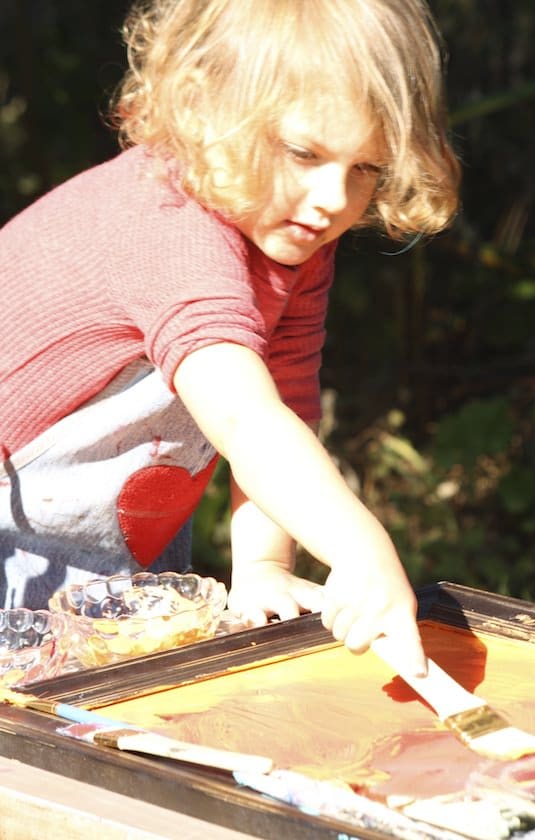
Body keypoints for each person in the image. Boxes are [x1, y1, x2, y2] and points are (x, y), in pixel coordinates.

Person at [0, 0, 460, 677]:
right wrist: (362, 550)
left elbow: (284, 410)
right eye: (305, 153)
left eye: (366, 168)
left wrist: (264, 566)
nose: (334, 198)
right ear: (204, 107)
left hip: (105, 539)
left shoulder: (295, 241)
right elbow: (245, 421)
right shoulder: (166, 221)